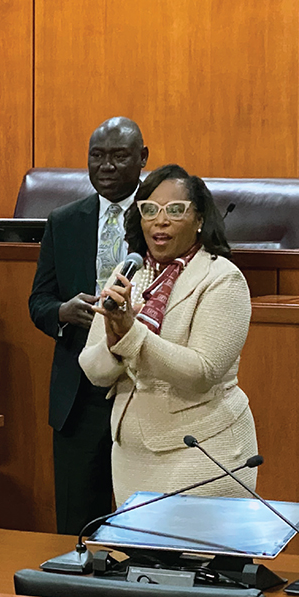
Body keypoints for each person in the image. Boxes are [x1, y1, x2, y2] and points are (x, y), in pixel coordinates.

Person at [79, 164, 258, 504]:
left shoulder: (223, 279)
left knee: (195, 558)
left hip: (203, 451)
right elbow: (95, 370)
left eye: (175, 211)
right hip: (131, 455)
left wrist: (130, 334)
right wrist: (114, 342)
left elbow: (201, 372)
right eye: (150, 210)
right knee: (139, 556)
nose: (160, 221)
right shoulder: (129, 272)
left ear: (200, 219)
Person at [28, 117, 149, 534]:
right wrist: (61, 312)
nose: (107, 167)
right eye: (97, 156)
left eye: (119, 157)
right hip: (77, 395)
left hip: (140, 386)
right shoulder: (64, 221)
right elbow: (38, 301)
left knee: (145, 525)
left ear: (142, 159)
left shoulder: (161, 221)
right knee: (77, 530)